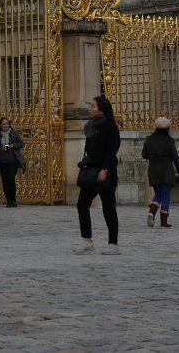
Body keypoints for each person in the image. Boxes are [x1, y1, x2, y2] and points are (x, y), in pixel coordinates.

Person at [73, 95, 121, 255]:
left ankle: (113, 244)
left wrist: (105, 169)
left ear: (101, 109)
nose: (89, 109)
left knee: (108, 207)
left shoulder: (110, 127)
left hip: (105, 172)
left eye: (92, 106)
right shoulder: (91, 126)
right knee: (82, 205)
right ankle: (87, 240)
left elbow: (111, 151)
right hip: (92, 171)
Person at [142, 117, 179, 228]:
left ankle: (151, 213)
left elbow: (144, 155)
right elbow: (175, 158)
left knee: (158, 194)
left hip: (153, 170)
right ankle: (163, 222)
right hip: (166, 170)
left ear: (155, 127)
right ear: (168, 128)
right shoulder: (169, 141)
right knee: (165, 196)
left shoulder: (149, 139)